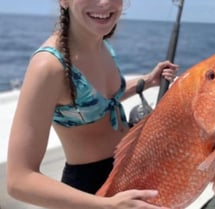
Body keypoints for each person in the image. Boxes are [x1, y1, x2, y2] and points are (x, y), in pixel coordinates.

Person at [6, 1, 178, 209]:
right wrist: (107, 204)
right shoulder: (48, 66)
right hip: (90, 191)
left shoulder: (100, 43)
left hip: (130, 174)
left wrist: (147, 81)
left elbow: (101, 99)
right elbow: (18, 180)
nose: (104, 2)